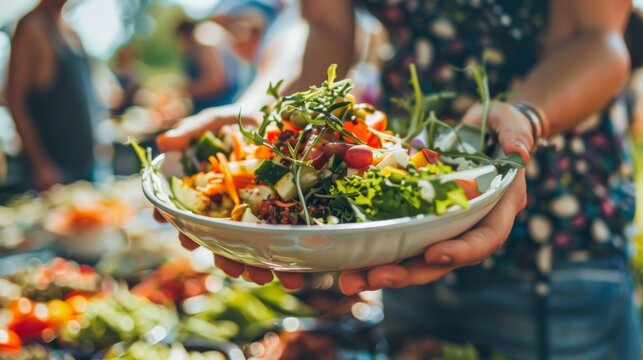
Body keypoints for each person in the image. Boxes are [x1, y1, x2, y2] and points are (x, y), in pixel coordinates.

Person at [155, 0, 638, 358]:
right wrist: (265, 115)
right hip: (398, 231)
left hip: (557, 240)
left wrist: (525, 121)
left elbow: (596, 36)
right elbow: (322, 26)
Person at [6, 0, 97, 191]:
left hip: (85, 164)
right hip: (54, 173)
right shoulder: (31, 27)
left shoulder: (72, 31)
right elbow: (15, 100)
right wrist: (41, 165)